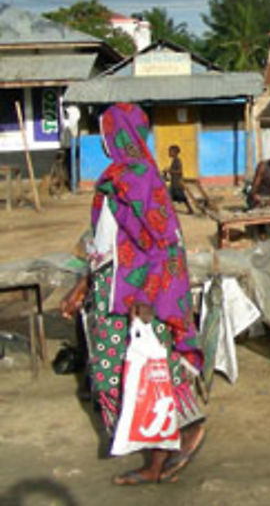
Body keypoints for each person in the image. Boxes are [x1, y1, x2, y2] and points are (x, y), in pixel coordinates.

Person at [59, 103, 205, 486]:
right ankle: (166, 442)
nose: (102, 139)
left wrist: (148, 295)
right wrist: (84, 285)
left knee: (147, 371)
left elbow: (163, 242)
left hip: (140, 293)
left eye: (105, 130)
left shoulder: (140, 177)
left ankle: (167, 449)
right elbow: (106, 242)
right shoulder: (115, 178)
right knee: (111, 375)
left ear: (119, 133)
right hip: (111, 288)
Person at [163, 144, 195, 215]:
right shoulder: (174, 160)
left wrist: (170, 171)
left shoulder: (178, 160)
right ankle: (169, 210)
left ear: (175, 152)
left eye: (170, 152)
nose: (169, 153)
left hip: (177, 183)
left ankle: (190, 210)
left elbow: (180, 171)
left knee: (182, 197)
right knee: (169, 196)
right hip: (174, 182)